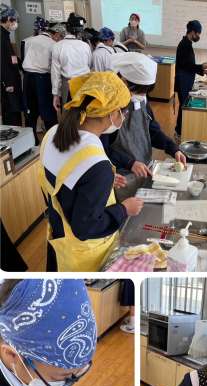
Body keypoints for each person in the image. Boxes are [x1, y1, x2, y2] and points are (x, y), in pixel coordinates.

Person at [39, 71, 144, 272]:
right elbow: (85, 227)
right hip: (84, 256)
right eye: (123, 112)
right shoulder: (97, 166)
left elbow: (65, 180)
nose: (123, 116)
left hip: (58, 237)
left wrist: (98, 185)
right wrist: (124, 209)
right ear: (112, 113)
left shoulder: (52, 134)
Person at [109, 52, 186, 179]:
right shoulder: (108, 107)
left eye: (146, 91)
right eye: (139, 91)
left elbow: (152, 131)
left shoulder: (141, 100)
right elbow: (102, 149)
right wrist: (130, 163)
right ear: (123, 81)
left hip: (144, 168)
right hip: (120, 176)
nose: (142, 96)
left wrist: (173, 148)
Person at [22, 21, 66, 144]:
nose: (60, 39)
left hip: (27, 78)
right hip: (43, 78)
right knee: (48, 111)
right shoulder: (53, 44)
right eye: (60, 37)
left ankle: (32, 142)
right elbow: (55, 67)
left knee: (30, 111)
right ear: (56, 34)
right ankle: (53, 141)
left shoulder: (30, 40)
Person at [174, 20, 207, 138]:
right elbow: (186, 66)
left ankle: (179, 130)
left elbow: (189, 65)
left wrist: (202, 71)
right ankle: (179, 131)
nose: (199, 36)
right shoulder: (184, 45)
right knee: (184, 106)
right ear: (193, 32)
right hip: (183, 81)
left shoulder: (188, 43)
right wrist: (201, 67)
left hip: (186, 79)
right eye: (198, 34)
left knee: (184, 105)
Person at [51, 12, 92, 112]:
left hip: (68, 85)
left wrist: (56, 94)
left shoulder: (58, 46)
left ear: (67, 28)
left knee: (68, 115)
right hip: (85, 84)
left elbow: (55, 73)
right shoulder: (86, 46)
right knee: (84, 113)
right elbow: (89, 64)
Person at [0, 4, 24, 126]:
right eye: (15, 20)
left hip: (11, 79)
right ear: (9, 19)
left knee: (14, 108)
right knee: (11, 110)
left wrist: (22, 65)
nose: (15, 24)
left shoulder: (5, 34)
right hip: (8, 82)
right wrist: (7, 83)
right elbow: (2, 62)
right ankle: (13, 133)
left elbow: (11, 56)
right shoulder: (1, 36)